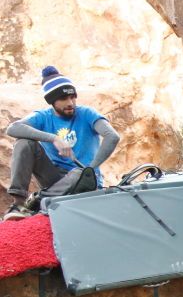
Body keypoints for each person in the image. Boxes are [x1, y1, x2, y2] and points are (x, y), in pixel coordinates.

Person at [3, 66, 120, 221]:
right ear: (52, 101)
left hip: (84, 180)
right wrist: (54, 138)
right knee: (24, 142)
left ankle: (38, 201)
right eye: (64, 99)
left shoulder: (86, 113)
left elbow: (112, 136)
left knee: (78, 173)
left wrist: (90, 169)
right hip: (55, 179)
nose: (70, 102)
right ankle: (19, 204)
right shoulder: (43, 116)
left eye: (73, 97)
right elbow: (13, 128)